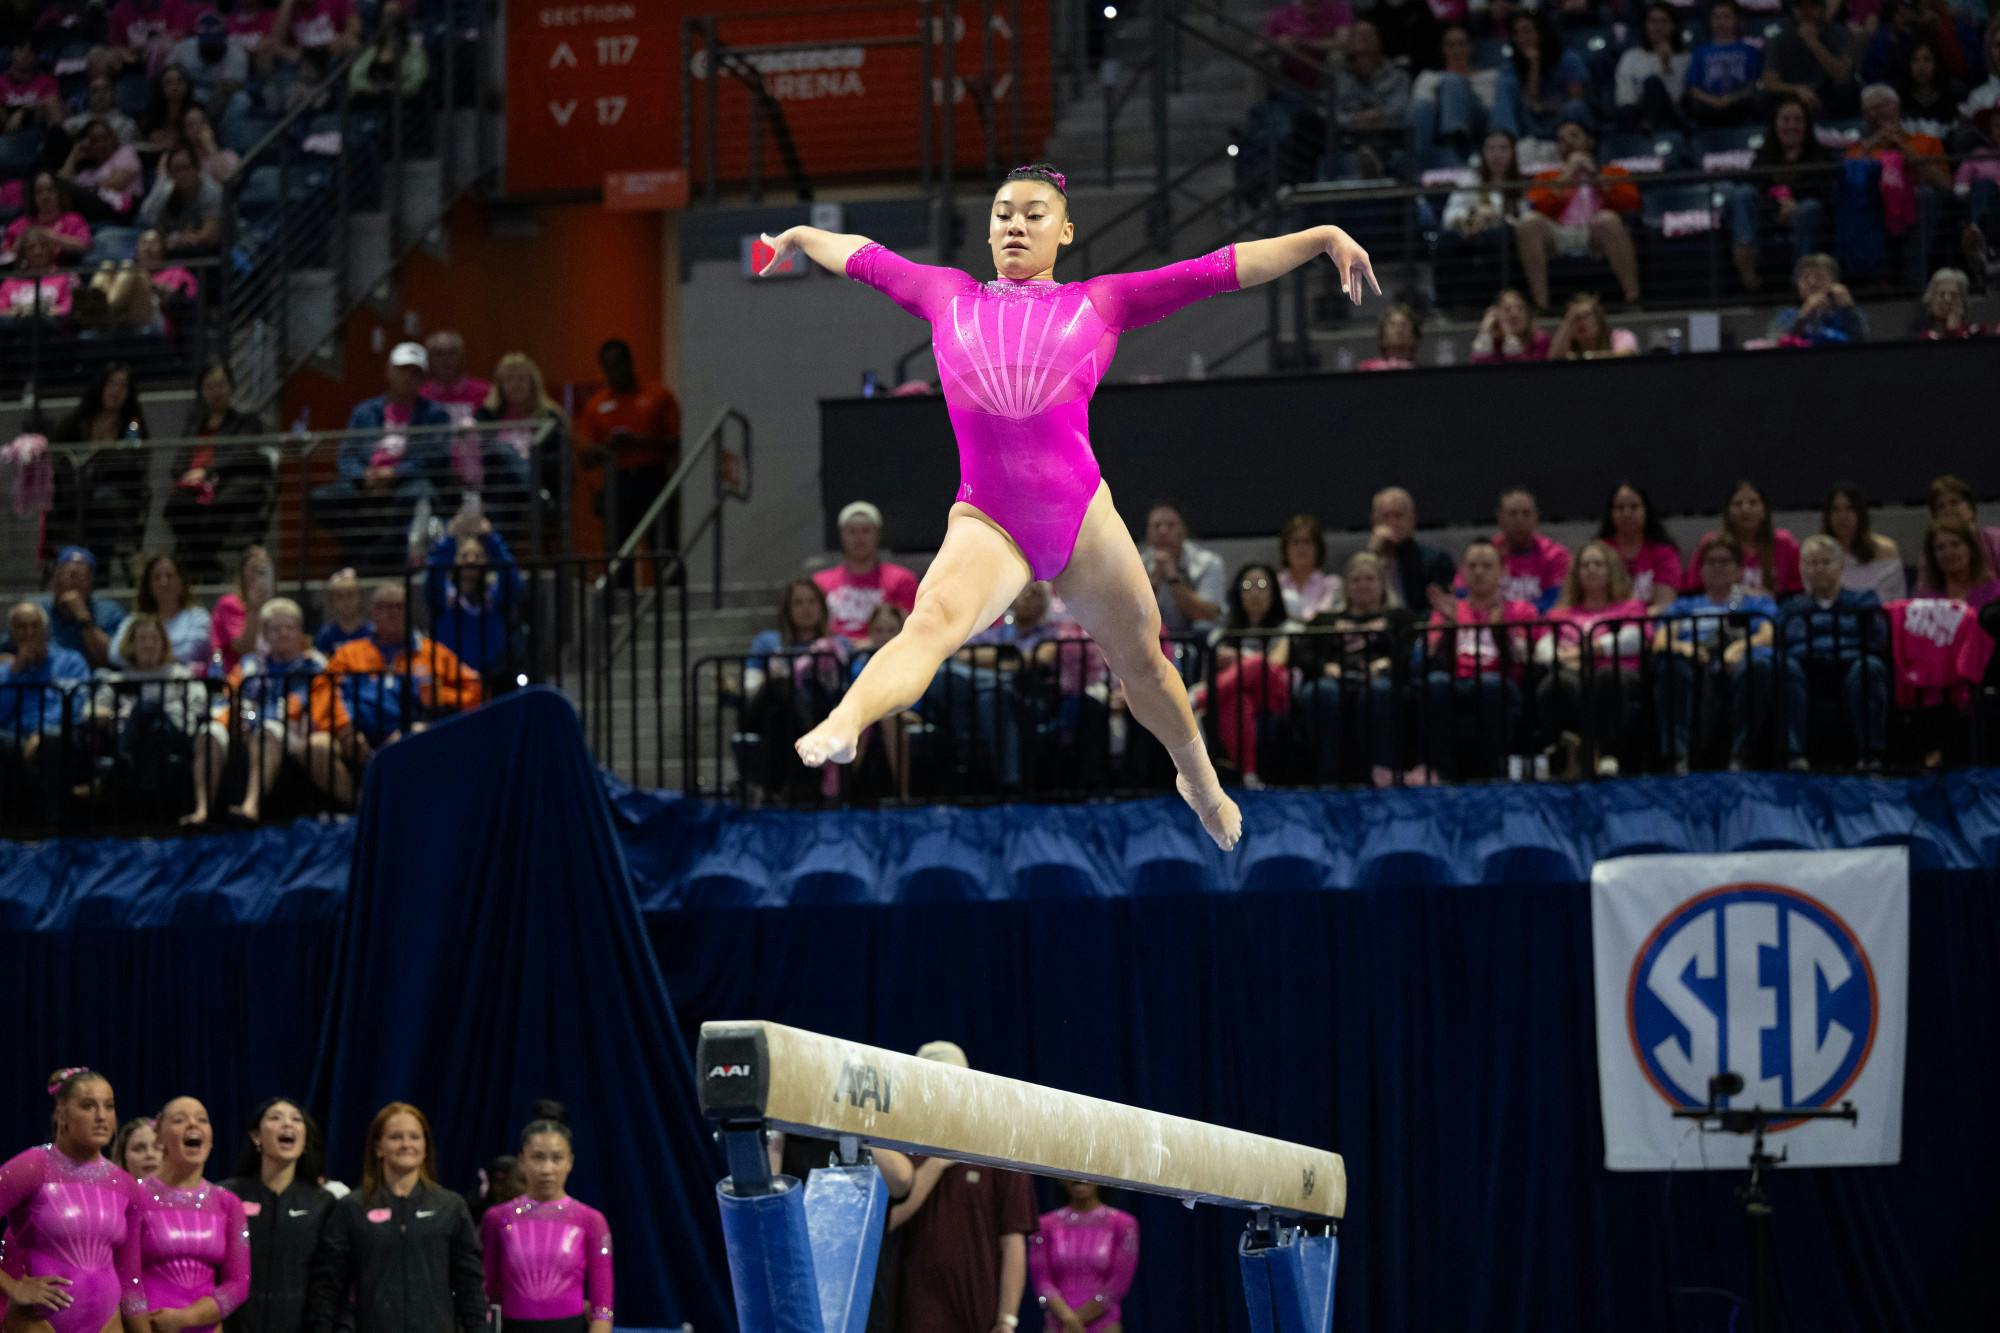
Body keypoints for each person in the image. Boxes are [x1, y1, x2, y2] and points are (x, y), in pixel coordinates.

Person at [758, 163, 1380, 848]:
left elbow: (1217, 269)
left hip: (1081, 517)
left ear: (1066, 229)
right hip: (988, 518)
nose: (1015, 226)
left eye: (1032, 214)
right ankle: (848, 719)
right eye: (1002, 215)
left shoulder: (1100, 301)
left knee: (1144, 663)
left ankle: (1199, 779)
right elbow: (865, 259)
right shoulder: (947, 295)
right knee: (929, 624)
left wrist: (1322, 235)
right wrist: (801, 234)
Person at [889, 1041, 1039, 1333]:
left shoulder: (998, 1148)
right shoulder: (900, 1144)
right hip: (913, 1312)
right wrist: (935, 1164)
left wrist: (1007, 1320)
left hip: (977, 1314)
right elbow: (887, 1222)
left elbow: (1013, 1240)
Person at [307, 1102, 483, 1333]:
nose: (407, 1144)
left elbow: (469, 1284)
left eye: (415, 1137)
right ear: (378, 1147)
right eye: (396, 1137)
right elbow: (328, 1285)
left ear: (426, 1147)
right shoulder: (352, 1207)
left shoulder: (450, 1206)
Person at [0, 1070, 150, 1333]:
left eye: (109, 1106)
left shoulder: (126, 1186)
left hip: (108, 1324)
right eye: (88, 1106)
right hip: (39, 1323)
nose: (101, 1116)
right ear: (61, 1114)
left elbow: (130, 1281)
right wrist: (13, 1286)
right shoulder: (32, 1167)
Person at [193, 597, 353, 824]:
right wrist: (241, 719)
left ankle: (250, 806)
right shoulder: (250, 665)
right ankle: (202, 810)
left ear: (300, 632)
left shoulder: (315, 665)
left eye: (289, 628)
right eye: (275, 629)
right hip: (248, 728)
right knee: (209, 732)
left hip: (297, 731)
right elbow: (228, 701)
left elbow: (325, 709)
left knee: (269, 729)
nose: (283, 634)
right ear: (265, 634)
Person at [309, 343, 451, 572]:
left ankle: (367, 561)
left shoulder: (435, 414)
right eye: (403, 369)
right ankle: (369, 552)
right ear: (389, 371)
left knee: (421, 496)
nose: (408, 377)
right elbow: (347, 455)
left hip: (407, 483)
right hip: (366, 482)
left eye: (415, 373)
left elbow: (436, 457)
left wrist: (395, 474)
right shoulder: (365, 411)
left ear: (423, 378)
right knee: (321, 498)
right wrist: (364, 477)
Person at [478, 1104, 614, 1333]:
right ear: (522, 1160)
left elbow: (602, 1308)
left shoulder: (590, 1220)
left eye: (557, 1158)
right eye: (538, 1157)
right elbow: (486, 1293)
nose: (547, 1169)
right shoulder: (498, 1218)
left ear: (570, 1161)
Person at [1653, 535, 1779, 772]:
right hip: (1694, 660)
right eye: (1711, 562)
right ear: (1700, 570)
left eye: (1725, 561)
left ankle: (1741, 755)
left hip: (1739, 659)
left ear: (1740, 569)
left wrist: (1740, 648)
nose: (1717, 567)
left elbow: (1768, 635)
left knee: (1758, 667)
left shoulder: (1753, 603)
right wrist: (1683, 648)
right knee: (1672, 666)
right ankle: (1677, 757)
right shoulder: (1685, 606)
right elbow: (1661, 641)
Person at [1419, 541, 1538, 781]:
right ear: (1463, 572)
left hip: (1501, 682)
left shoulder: (1521, 611)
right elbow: (1436, 660)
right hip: (1456, 679)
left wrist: (1500, 633)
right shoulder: (1450, 609)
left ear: (1502, 572)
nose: (1479, 572)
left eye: (1487, 565)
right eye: (1472, 566)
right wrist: (1450, 627)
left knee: (1491, 685)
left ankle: (1494, 773)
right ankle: (1441, 774)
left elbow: (1522, 663)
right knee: (1436, 683)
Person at [1297, 550, 1416, 786]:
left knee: (1380, 690)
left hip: (1381, 678)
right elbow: (1302, 653)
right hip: (1337, 678)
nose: (1363, 585)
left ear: (1383, 584)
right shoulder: (1325, 620)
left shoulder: (1400, 617)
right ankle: (1328, 775)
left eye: (1370, 579)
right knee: (1320, 691)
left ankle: (1382, 770)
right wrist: (1325, 668)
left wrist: (1386, 664)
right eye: (1356, 580)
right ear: (1346, 587)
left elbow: (1409, 651)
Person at [221, 1098, 337, 1333]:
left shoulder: (322, 1203)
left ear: (305, 1140)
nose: (287, 1124)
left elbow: (326, 1282)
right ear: (256, 1136)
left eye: (296, 1119)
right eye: (275, 1117)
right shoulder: (228, 1195)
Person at [136, 1096, 251, 1333]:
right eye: (179, 1120)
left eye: (202, 1120)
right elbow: (124, 1278)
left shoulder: (228, 1203)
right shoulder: (136, 1196)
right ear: (159, 1136)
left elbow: (239, 1284)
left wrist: (186, 1318)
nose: (193, 1125)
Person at [1534, 540, 1647, 776]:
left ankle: (1608, 754)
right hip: (1574, 675)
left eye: (1598, 564)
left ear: (1611, 570)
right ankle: (1558, 754)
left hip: (1618, 675)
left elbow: (1632, 640)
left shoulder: (1629, 607)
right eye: (1585, 565)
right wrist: (1566, 658)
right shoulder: (1560, 613)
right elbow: (1544, 648)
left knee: (1606, 677)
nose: (1591, 569)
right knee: (1555, 683)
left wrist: (1581, 652)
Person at [326, 582, 483, 752]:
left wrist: (442, 696)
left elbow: (474, 689)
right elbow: (323, 691)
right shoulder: (348, 654)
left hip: (417, 738)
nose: (392, 613)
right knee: (320, 746)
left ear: (409, 612)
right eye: (384, 607)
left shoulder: (433, 652)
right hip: (357, 738)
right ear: (373, 612)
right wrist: (344, 727)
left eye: (399, 607)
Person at [1777, 534, 1890, 769]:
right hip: (1805, 668)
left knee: (1871, 668)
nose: (1818, 569)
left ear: (1840, 567)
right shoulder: (1791, 607)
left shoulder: (1864, 600)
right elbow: (1783, 643)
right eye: (1811, 563)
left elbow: (1878, 640)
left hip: (1851, 665)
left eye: (1825, 562)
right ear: (1802, 569)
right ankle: (1794, 756)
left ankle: (1870, 756)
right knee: (1784, 668)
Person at [1194, 563, 1301, 782]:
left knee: (1257, 662)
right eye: (1247, 586)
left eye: (1262, 585)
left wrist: (1238, 658)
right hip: (1234, 693)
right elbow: (1209, 676)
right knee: (1237, 699)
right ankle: (1249, 774)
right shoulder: (1223, 634)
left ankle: (1195, 700)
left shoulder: (1288, 629)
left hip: (1271, 694)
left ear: (1274, 593)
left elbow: (1273, 662)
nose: (1254, 593)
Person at [1520, 118, 1644, 308]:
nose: (1567, 141)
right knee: (1528, 222)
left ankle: (1633, 300)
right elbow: (1538, 207)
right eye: (1561, 139)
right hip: (1559, 232)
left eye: (1574, 135)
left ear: (1589, 141)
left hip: (1595, 232)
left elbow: (1631, 204)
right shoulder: (1547, 176)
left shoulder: (1613, 172)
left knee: (1608, 219)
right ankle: (1541, 306)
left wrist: (1596, 177)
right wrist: (1568, 174)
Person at [577, 338, 680, 562]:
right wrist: (607, 449)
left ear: (630, 362)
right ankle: (619, 596)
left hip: (654, 478)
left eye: (620, 364)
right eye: (609, 367)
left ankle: (671, 594)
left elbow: (676, 442)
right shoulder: (596, 405)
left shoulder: (658, 395)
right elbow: (585, 457)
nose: (616, 372)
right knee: (617, 549)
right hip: (618, 481)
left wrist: (639, 443)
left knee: (664, 546)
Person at [166, 362, 270, 582]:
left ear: (231, 387)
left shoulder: (247, 421)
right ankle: (206, 563)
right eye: (209, 386)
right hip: (194, 488)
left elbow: (242, 452)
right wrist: (186, 474)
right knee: (175, 506)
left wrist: (206, 471)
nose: (215, 392)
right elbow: (178, 462)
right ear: (202, 391)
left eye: (221, 385)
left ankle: (199, 564)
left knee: (217, 507)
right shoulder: (194, 425)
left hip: (229, 485)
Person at [1729, 95, 1836, 291]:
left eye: (1797, 120)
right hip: (1769, 215)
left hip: (1807, 215)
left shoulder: (1820, 155)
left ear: (1806, 125)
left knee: (1809, 209)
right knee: (1742, 193)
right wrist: (1779, 204)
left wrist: (1795, 204)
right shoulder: (1764, 155)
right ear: (1775, 124)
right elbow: (1755, 185)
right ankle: (1745, 254)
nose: (1791, 126)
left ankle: (1800, 281)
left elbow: (1825, 191)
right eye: (1785, 120)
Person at [0, 603, 92, 799]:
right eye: (21, 627)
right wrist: (15, 672)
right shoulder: (5, 671)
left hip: (58, 733)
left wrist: (42, 732)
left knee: (53, 739)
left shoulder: (70, 661)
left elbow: (75, 706)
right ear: (12, 634)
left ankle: (53, 823)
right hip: (14, 736)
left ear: (46, 629)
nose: (29, 632)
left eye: (35, 625)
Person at [1027, 1181, 1138, 1333]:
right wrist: (1067, 1318)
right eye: (1073, 1172)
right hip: (1058, 1324)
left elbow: (1119, 1282)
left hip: (1104, 1325)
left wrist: (1076, 1320)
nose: (1079, 1179)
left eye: (1085, 1172)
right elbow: (1042, 1280)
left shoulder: (1123, 1224)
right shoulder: (1045, 1225)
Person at [424, 512, 523, 680]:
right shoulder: (444, 598)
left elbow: (511, 579)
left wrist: (491, 538)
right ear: (454, 561)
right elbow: (434, 575)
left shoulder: (494, 597)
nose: (471, 560)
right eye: (464, 556)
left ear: (486, 561)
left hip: (491, 675)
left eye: (477, 556)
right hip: (451, 677)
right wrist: (450, 538)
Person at [476, 352, 568, 527]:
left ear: (533, 383)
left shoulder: (551, 416)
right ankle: (534, 492)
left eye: (521, 379)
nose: (515, 385)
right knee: (501, 451)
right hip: (501, 490)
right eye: (509, 380)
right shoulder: (487, 415)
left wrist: (529, 460)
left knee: (505, 457)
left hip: (544, 481)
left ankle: (532, 489)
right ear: (500, 385)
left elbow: (561, 462)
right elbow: (484, 458)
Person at [812, 500, 921, 643]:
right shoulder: (820, 583)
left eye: (866, 531)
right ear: (842, 536)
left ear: (878, 534)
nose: (859, 538)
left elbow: (912, 627)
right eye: (852, 531)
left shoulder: (901, 579)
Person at [1462, 486, 1571, 611]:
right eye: (1512, 514)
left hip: (1539, 625)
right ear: (1500, 518)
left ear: (1536, 518)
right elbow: (1463, 594)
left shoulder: (1555, 555)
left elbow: (1556, 601)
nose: (1519, 520)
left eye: (1526, 513)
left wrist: (1515, 614)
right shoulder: (1485, 554)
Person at [1688, 479, 1803, 597]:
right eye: (1738, 504)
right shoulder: (1713, 544)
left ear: (1764, 511)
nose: (1745, 509)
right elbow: (1693, 588)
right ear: (1728, 512)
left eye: (1753, 503)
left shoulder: (1785, 543)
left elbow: (1797, 590)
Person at [1327, 20, 1412, 178]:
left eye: (1369, 36)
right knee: (1344, 162)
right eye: (1359, 37)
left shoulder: (1398, 76)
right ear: (1349, 45)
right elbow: (1332, 114)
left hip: (1389, 142)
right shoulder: (1337, 80)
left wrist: (1379, 114)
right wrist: (1356, 119)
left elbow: (1402, 108)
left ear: (1379, 42)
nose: (1364, 43)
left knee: (1402, 158)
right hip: (1350, 144)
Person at [1493, 10, 1591, 141]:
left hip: (1564, 119)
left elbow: (1577, 99)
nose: (1522, 38)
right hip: (1532, 124)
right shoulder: (1512, 65)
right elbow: (1529, 104)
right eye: (1517, 33)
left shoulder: (1568, 59)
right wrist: (1534, 65)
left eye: (1527, 31)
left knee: (1575, 107)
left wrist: (1543, 107)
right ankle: (1505, 140)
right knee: (1505, 83)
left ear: (1540, 32)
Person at [1410, 25, 1498, 162]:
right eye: (1451, 45)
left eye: (1461, 44)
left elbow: (1494, 114)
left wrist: (1462, 92)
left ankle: (1457, 146)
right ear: (1443, 49)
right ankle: (1423, 161)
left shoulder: (1489, 76)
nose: (1456, 50)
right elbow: (1420, 112)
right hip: (1438, 135)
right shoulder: (1428, 77)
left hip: (1478, 131)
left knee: (1453, 81)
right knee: (1423, 106)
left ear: (1471, 47)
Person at [1761, 0, 1859, 117]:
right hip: (1793, 96)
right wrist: (1797, 89)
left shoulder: (1839, 32)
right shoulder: (1781, 38)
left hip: (1829, 94)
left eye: (1812, 6)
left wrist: (1813, 42)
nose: (1806, 12)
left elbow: (1843, 73)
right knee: (1762, 98)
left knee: (1847, 88)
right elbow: (1769, 81)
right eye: (1800, 7)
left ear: (1822, 9)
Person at [1143, 502, 1227, 635]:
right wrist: (1154, 581)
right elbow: (1130, 616)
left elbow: (1207, 614)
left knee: (1203, 627)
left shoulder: (1209, 563)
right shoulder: (1136, 566)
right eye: (1156, 526)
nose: (1163, 531)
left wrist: (1173, 580)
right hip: (1153, 640)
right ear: (1147, 533)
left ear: (1183, 531)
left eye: (1170, 525)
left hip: (1195, 641)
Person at [34, 545, 126, 669]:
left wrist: (84, 617)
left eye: (80, 577)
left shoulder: (109, 612)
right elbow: (8, 651)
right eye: (67, 575)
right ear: (55, 578)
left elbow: (112, 659)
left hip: (93, 682)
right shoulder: (37, 610)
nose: (71, 583)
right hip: (47, 680)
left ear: (90, 583)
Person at [1366, 485, 1457, 607]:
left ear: (1413, 519)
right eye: (1385, 516)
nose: (1392, 523)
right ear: (1373, 521)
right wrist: (1372, 555)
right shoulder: (1363, 561)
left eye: (1398, 516)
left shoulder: (1437, 561)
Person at [115, 553, 210, 669]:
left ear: (182, 582)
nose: (163, 582)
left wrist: (144, 656)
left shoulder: (198, 617)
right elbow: (114, 654)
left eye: (170, 576)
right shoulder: (134, 619)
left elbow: (191, 652)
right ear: (148, 585)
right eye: (156, 577)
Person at [1596, 481, 1682, 608]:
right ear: (1611, 514)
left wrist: (1636, 623)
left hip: (1652, 623)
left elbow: (1664, 604)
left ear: (1646, 511)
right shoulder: (1599, 551)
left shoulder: (1664, 553)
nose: (1627, 513)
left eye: (1634, 507)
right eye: (1620, 508)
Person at [1441, 131, 1528, 250]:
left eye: (1503, 148)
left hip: (1510, 244)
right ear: (1483, 153)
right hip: (1473, 242)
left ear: (1513, 153)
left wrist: (1499, 216)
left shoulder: (1521, 183)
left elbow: (1526, 221)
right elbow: (1448, 217)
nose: (1497, 154)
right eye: (1491, 149)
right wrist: (1473, 213)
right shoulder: (1470, 180)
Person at [1685, 0, 1765, 128]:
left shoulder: (1749, 51)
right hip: (1708, 108)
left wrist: (1730, 99)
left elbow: (1754, 85)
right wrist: (1715, 101)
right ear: (1710, 21)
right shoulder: (1700, 52)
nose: (1721, 22)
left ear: (1736, 20)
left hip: (1740, 105)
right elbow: (1694, 89)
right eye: (1716, 17)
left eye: (1726, 16)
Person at [1821, 484, 1906, 601]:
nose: (1842, 516)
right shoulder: (1819, 552)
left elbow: (1896, 599)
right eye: (1835, 510)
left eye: (1850, 508)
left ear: (1860, 512)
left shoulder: (1886, 549)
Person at [1614, 4, 1691, 132]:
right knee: (1626, 111)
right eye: (1652, 21)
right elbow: (1623, 97)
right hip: (1638, 113)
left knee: (1653, 83)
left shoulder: (1685, 58)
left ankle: (1649, 126)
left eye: (1663, 21)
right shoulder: (1630, 56)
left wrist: (1666, 65)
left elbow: (1678, 98)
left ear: (1673, 26)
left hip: (1672, 115)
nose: (1657, 27)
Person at [136, 146, 223, 257]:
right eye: (176, 170)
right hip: (177, 253)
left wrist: (184, 238)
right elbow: (147, 219)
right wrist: (161, 182)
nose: (181, 174)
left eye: (185, 168)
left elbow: (211, 235)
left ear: (197, 168)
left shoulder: (212, 193)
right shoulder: (168, 194)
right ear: (170, 174)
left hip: (211, 255)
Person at [1767, 252, 1869, 344]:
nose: (1812, 282)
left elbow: (1862, 342)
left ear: (1834, 282)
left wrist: (1848, 309)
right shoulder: (1787, 315)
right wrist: (1802, 317)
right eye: (1805, 277)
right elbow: (1775, 345)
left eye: (1819, 276)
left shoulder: (1850, 313)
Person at [60, 119, 145, 225]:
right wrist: (74, 155)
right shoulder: (86, 170)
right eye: (95, 140)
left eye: (106, 137)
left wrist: (86, 189)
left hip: (118, 208)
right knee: (58, 188)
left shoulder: (125, 152)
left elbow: (117, 183)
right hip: (89, 209)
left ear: (113, 138)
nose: (103, 143)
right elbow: (59, 184)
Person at [210, 544, 276, 677]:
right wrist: (253, 608)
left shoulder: (278, 607)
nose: (260, 573)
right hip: (238, 680)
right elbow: (245, 648)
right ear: (243, 572)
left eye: (264, 568)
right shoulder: (229, 604)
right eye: (254, 568)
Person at [1921, 474, 2000, 584]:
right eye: (1941, 506)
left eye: (1955, 502)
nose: (1948, 510)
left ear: (1971, 508)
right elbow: (1924, 593)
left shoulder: (1996, 540)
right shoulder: (1931, 550)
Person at [170, 14, 250, 118]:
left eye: (214, 42)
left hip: (220, 98)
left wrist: (206, 119)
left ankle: (223, 133)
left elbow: (226, 89)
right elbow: (167, 74)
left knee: (241, 100)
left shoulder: (236, 53)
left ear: (225, 37)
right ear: (198, 38)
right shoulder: (184, 48)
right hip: (190, 92)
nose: (211, 46)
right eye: (207, 42)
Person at [348, 3, 428, 106]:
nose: (390, 19)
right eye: (387, 15)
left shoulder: (413, 50)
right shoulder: (371, 50)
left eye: (393, 14)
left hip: (403, 104)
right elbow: (355, 78)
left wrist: (396, 89)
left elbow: (416, 80)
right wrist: (371, 88)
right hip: (372, 102)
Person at [5, 172, 92, 263]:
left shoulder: (73, 220)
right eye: (39, 192)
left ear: (59, 193)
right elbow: (5, 254)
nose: (45, 196)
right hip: (25, 274)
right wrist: (21, 242)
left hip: (62, 273)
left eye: (50, 190)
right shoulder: (21, 223)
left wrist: (50, 236)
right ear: (33, 197)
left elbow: (84, 245)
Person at [1918, 515, 2000, 606]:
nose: (1948, 553)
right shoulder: (1926, 600)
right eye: (1940, 548)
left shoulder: (1995, 594)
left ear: (1971, 549)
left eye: (1955, 544)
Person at [0, 231, 76, 321]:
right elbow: (1, 310)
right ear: (23, 253)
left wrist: (46, 311)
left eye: (43, 245)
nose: (37, 251)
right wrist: (20, 312)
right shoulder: (10, 282)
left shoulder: (65, 278)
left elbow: (69, 308)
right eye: (31, 247)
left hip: (52, 328)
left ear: (53, 249)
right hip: (16, 328)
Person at [420, 331, 489, 428]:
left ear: (462, 357)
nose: (445, 359)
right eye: (438, 354)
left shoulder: (485, 392)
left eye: (451, 353)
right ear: (428, 359)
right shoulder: (421, 395)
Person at [1277, 514, 1342, 618]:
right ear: (1285, 549)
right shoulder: (1275, 585)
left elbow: (1323, 618)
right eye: (1295, 542)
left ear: (1318, 548)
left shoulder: (1332, 585)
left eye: (1307, 542)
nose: (1301, 548)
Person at [1546, 291, 1638, 359]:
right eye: (1576, 318)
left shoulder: (1621, 335)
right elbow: (1554, 358)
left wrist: (1582, 356)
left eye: (1586, 316)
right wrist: (1568, 319)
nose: (1581, 323)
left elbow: (1625, 356)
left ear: (1598, 319)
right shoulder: (1566, 346)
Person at [1469, 288, 1551, 362]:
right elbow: (1481, 371)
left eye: (1520, 308)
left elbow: (1523, 372)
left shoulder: (1540, 340)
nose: (1515, 314)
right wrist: (1485, 333)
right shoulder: (1492, 343)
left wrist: (1510, 338)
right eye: (1507, 310)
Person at [64, 74, 140, 148]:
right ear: (88, 95)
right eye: (95, 91)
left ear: (114, 93)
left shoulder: (126, 125)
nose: (101, 94)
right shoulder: (72, 124)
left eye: (106, 90)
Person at [0, 38, 61, 130]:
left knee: (52, 103)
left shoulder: (47, 82)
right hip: (5, 132)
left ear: (36, 57)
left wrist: (24, 111)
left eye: (30, 52)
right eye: (20, 50)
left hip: (37, 133)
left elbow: (51, 106)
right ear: (11, 53)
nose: (25, 55)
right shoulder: (1, 82)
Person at [1916, 266, 1985, 337]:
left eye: (1954, 295)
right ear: (1931, 301)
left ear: (1963, 302)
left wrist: (1955, 331)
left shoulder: (1978, 333)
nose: (1948, 299)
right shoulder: (1923, 338)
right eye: (1941, 294)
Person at [315, 569, 370, 657]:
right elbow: (323, 663)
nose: (346, 602)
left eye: (350, 595)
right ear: (332, 602)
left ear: (360, 598)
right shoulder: (326, 634)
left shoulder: (371, 631)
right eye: (339, 597)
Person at [1357, 304, 1420, 369]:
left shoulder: (1424, 373)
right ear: (1382, 335)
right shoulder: (1367, 369)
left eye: (1404, 325)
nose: (1399, 330)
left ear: (1414, 335)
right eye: (1393, 325)